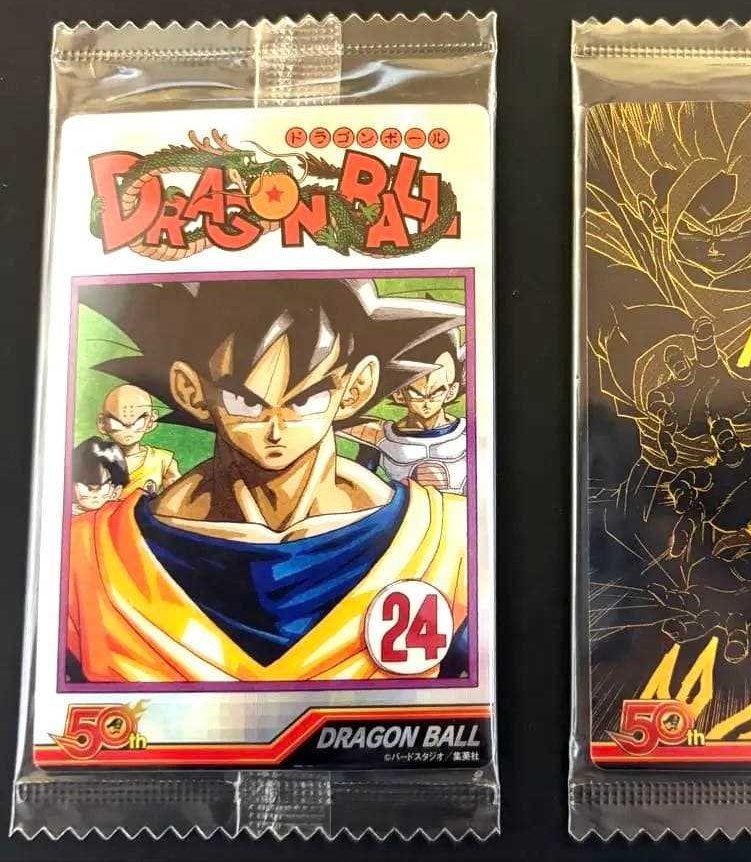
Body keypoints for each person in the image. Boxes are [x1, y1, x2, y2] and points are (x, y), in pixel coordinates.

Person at [67, 277, 468, 682]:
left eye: (305, 399)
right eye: (245, 401)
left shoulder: (444, 540)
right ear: (191, 391)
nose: (276, 428)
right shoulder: (94, 556)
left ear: (355, 389)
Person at [343, 330, 467, 493]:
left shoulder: (467, 433)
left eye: (437, 391)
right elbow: (360, 488)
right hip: (406, 507)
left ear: (451, 391)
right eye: (416, 393)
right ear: (399, 394)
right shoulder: (379, 436)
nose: (426, 402)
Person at [97, 384, 179, 496]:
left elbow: (177, 495)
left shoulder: (162, 460)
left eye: (138, 423)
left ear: (152, 420)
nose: (128, 431)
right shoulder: (96, 459)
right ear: (102, 423)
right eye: (116, 423)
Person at [71, 437, 129, 514]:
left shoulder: (122, 513)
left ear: (116, 491)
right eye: (86, 488)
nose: (94, 495)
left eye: (102, 488)